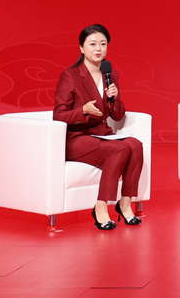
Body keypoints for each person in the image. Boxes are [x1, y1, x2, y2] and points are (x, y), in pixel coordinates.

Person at [52, 24, 144, 230]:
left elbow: (118, 116)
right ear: (81, 48)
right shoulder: (70, 76)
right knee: (119, 148)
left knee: (136, 145)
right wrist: (82, 111)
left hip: (102, 136)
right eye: (92, 44)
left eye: (103, 44)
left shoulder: (110, 75)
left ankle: (125, 204)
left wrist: (115, 98)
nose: (98, 49)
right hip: (77, 139)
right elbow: (58, 115)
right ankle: (101, 207)